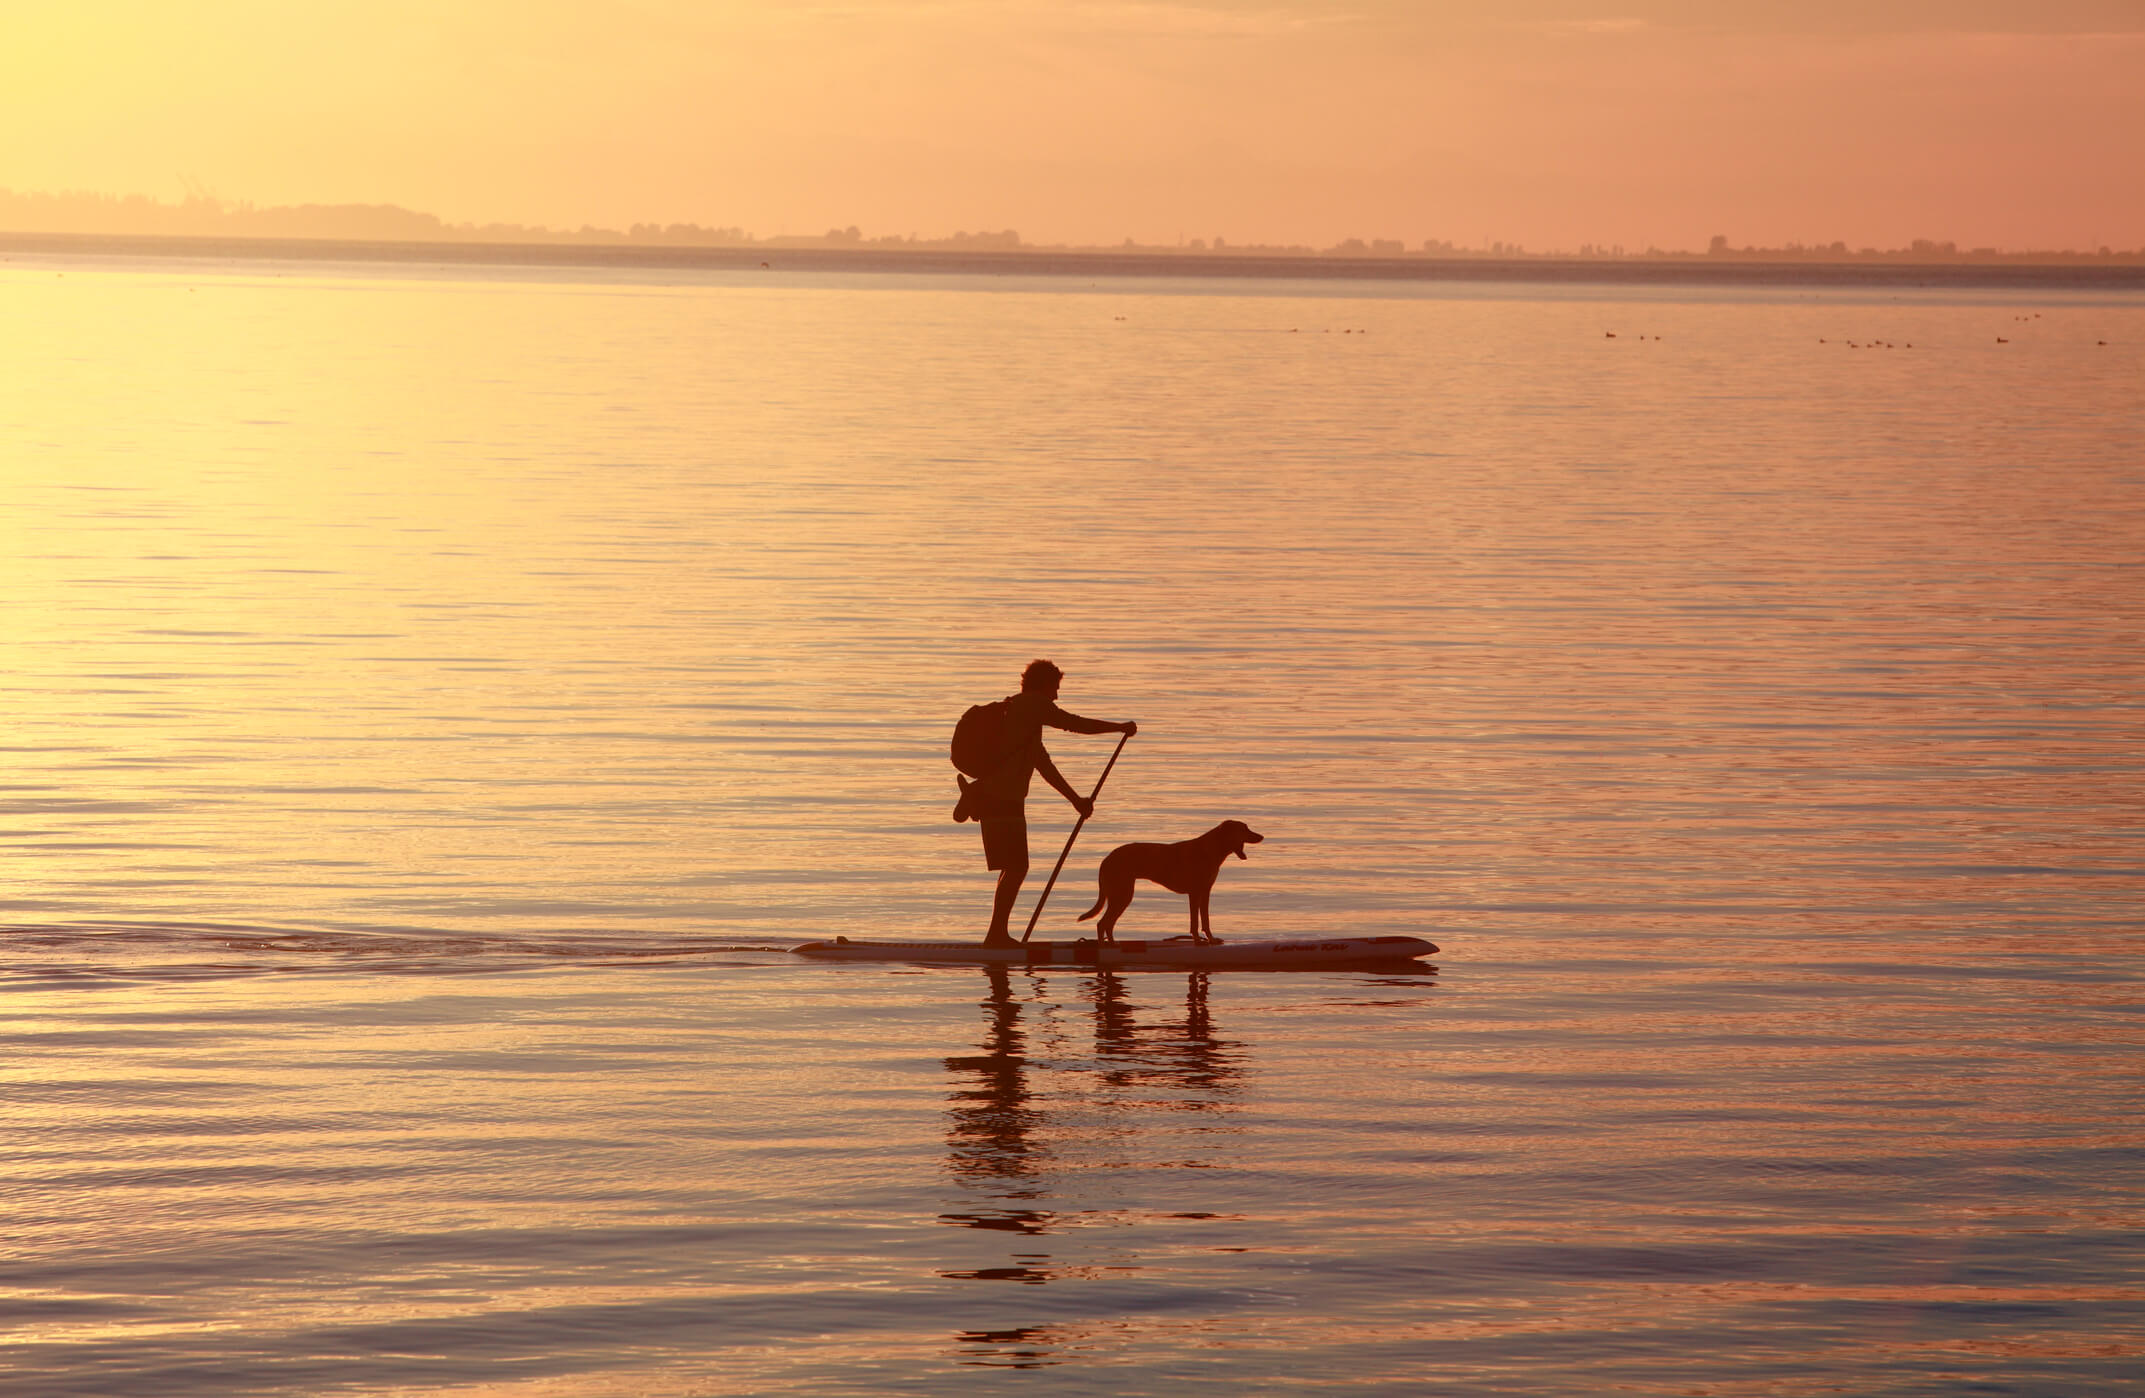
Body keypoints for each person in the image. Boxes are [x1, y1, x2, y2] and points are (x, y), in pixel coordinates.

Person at [961, 660, 1135, 947]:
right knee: (1016, 867)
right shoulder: (1032, 705)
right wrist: (1118, 727)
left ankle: (997, 935)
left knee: (1014, 866)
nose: (1056, 696)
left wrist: (1076, 800)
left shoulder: (1022, 717)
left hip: (1004, 798)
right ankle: (996, 937)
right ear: (1041, 686)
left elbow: (1044, 765)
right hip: (999, 797)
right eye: (1054, 688)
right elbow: (1074, 724)